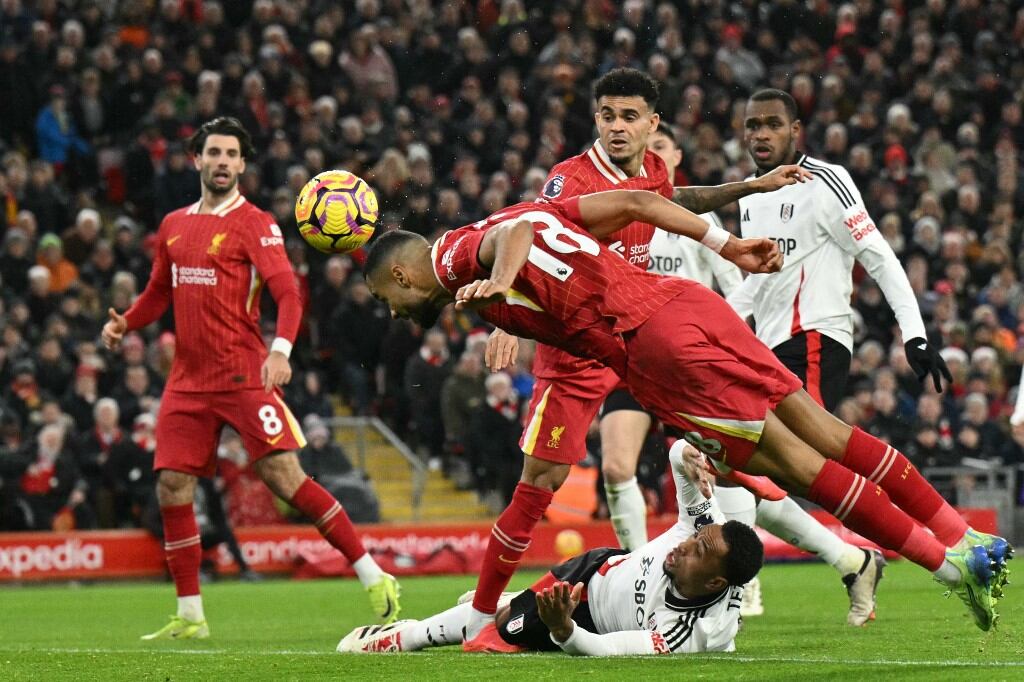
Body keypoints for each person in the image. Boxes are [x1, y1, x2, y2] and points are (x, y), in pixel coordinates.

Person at [362, 187, 1011, 633]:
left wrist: (502, 282)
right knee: (825, 433)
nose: (395, 314)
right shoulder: (543, 203)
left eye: (388, 301)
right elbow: (634, 206)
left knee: (796, 467)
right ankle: (963, 541)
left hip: (654, 350)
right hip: (687, 303)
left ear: (398, 275)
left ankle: (951, 569)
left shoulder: (448, 260)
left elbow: (515, 235)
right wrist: (726, 246)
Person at [476, 68, 810, 638]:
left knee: (735, 444)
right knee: (541, 484)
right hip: (575, 348)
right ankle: (482, 616)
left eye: (629, 117)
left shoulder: (653, 169)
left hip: (635, 340)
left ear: (652, 124)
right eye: (607, 116)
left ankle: (845, 553)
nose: (616, 128)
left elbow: (671, 199)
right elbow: (525, 231)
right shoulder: (568, 180)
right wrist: (507, 309)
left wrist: (748, 188)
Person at [102, 117, 400, 641]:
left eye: (230, 154)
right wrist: (127, 320)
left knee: (286, 479)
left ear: (242, 164)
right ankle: (190, 613)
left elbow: (289, 293)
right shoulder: (172, 224)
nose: (221, 162)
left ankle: (372, 573)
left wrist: (280, 351)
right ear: (196, 160)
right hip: (187, 382)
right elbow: (157, 293)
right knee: (172, 486)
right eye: (212, 152)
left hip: (243, 374)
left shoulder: (256, 223)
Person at [649, 122, 885, 625]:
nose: (650, 153)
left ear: (675, 154)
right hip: (654, 364)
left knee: (731, 465)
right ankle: (851, 559)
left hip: (702, 359)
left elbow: (742, 280)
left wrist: (721, 340)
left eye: (660, 145)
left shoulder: (698, 216)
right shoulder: (628, 213)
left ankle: (735, 593)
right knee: (740, 474)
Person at [337, 442, 762, 656]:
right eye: (693, 538)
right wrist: (683, 451)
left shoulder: (689, 632)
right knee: (494, 625)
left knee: (499, 630)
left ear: (716, 581)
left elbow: (606, 650)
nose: (686, 544)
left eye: (697, 551)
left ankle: (406, 635)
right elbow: (676, 459)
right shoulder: (710, 528)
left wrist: (565, 630)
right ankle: (402, 637)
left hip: (585, 617)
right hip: (595, 568)